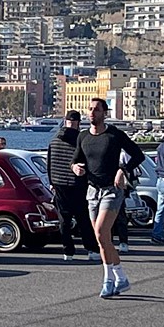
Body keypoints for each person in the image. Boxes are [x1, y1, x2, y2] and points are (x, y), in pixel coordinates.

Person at [71, 98, 145, 298]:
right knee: (102, 239)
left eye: (96, 109)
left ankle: (108, 280)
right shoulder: (83, 137)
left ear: (105, 113)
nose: (92, 113)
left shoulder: (114, 135)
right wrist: (75, 167)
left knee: (101, 231)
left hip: (112, 190)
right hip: (92, 191)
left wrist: (123, 170)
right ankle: (120, 278)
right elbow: (76, 159)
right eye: (90, 109)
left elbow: (138, 155)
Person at [47, 110, 98, 262]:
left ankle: (67, 251)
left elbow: (49, 163)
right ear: (78, 123)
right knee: (83, 218)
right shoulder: (80, 139)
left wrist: (51, 183)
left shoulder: (54, 139)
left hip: (58, 183)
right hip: (76, 183)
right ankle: (91, 249)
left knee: (64, 220)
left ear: (65, 120)